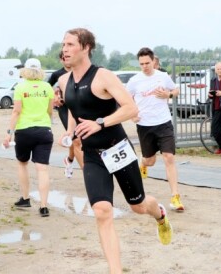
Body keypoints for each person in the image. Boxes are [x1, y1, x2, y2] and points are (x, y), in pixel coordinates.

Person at [57, 28, 173, 273]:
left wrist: (99, 123)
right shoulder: (64, 80)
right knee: (102, 211)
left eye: (70, 44)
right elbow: (72, 109)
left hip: (117, 149)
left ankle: (160, 214)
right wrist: (69, 132)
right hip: (92, 155)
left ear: (86, 47)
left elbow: (131, 109)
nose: (64, 49)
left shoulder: (103, 76)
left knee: (138, 206)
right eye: (63, 44)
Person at [126, 47, 185, 212]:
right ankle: (143, 164)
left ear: (154, 62)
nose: (145, 66)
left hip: (164, 123)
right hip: (145, 126)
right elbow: (125, 99)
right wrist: (132, 115)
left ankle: (175, 197)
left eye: (147, 63)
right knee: (150, 160)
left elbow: (176, 90)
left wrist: (169, 95)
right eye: (141, 64)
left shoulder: (163, 77)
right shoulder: (134, 81)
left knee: (169, 157)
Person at [3, 60, 54, 217]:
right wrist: (48, 126)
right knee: (42, 169)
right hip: (44, 130)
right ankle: (44, 206)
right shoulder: (47, 87)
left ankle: (25, 198)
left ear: (25, 70)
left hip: (24, 131)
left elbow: (16, 112)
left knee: (22, 164)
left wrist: (8, 133)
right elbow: (50, 111)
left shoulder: (20, 87)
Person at [47, 52, 84, 178]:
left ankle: (69, 160)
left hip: (81, 108)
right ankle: (88, 173)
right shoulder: (57, 75)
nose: (66, 60)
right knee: (76, 140)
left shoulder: (81, 71)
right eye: (64, 58)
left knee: (79, 140)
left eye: (68, 57)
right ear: (61, 60)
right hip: (65, 109)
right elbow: (46, 88)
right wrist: (54, 97)